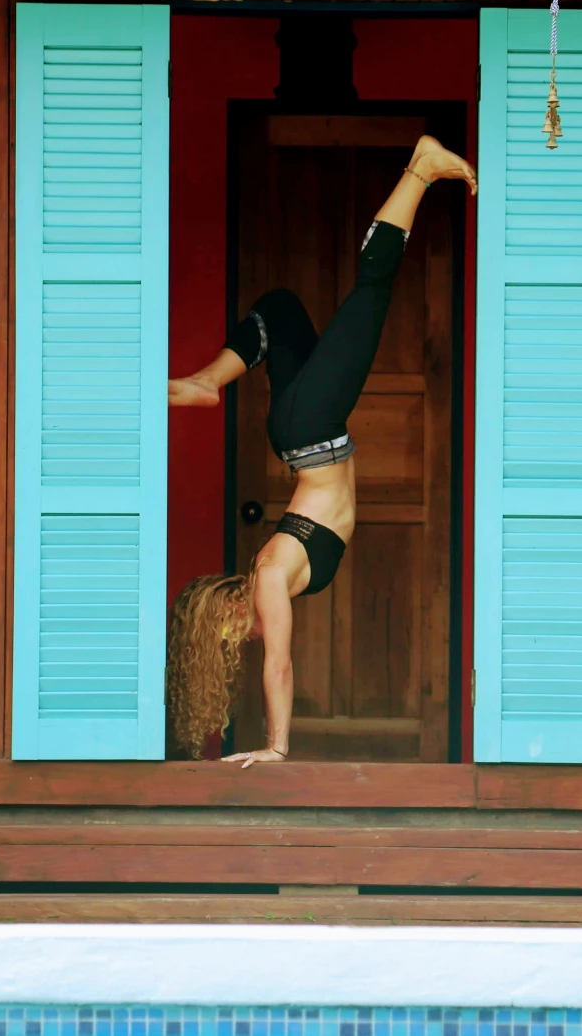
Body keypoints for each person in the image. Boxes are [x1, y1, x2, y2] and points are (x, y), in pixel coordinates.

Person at [166, 135, 477, 765]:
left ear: (227, 614)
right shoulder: (267, 568)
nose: (244, 641)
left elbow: (279, 665)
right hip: (298, 429)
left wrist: (277, 747)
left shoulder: (270, 580)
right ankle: (208, 381)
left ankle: (419, 168)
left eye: (231, 640)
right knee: (280, 311)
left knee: (372, 289)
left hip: (311, 428)